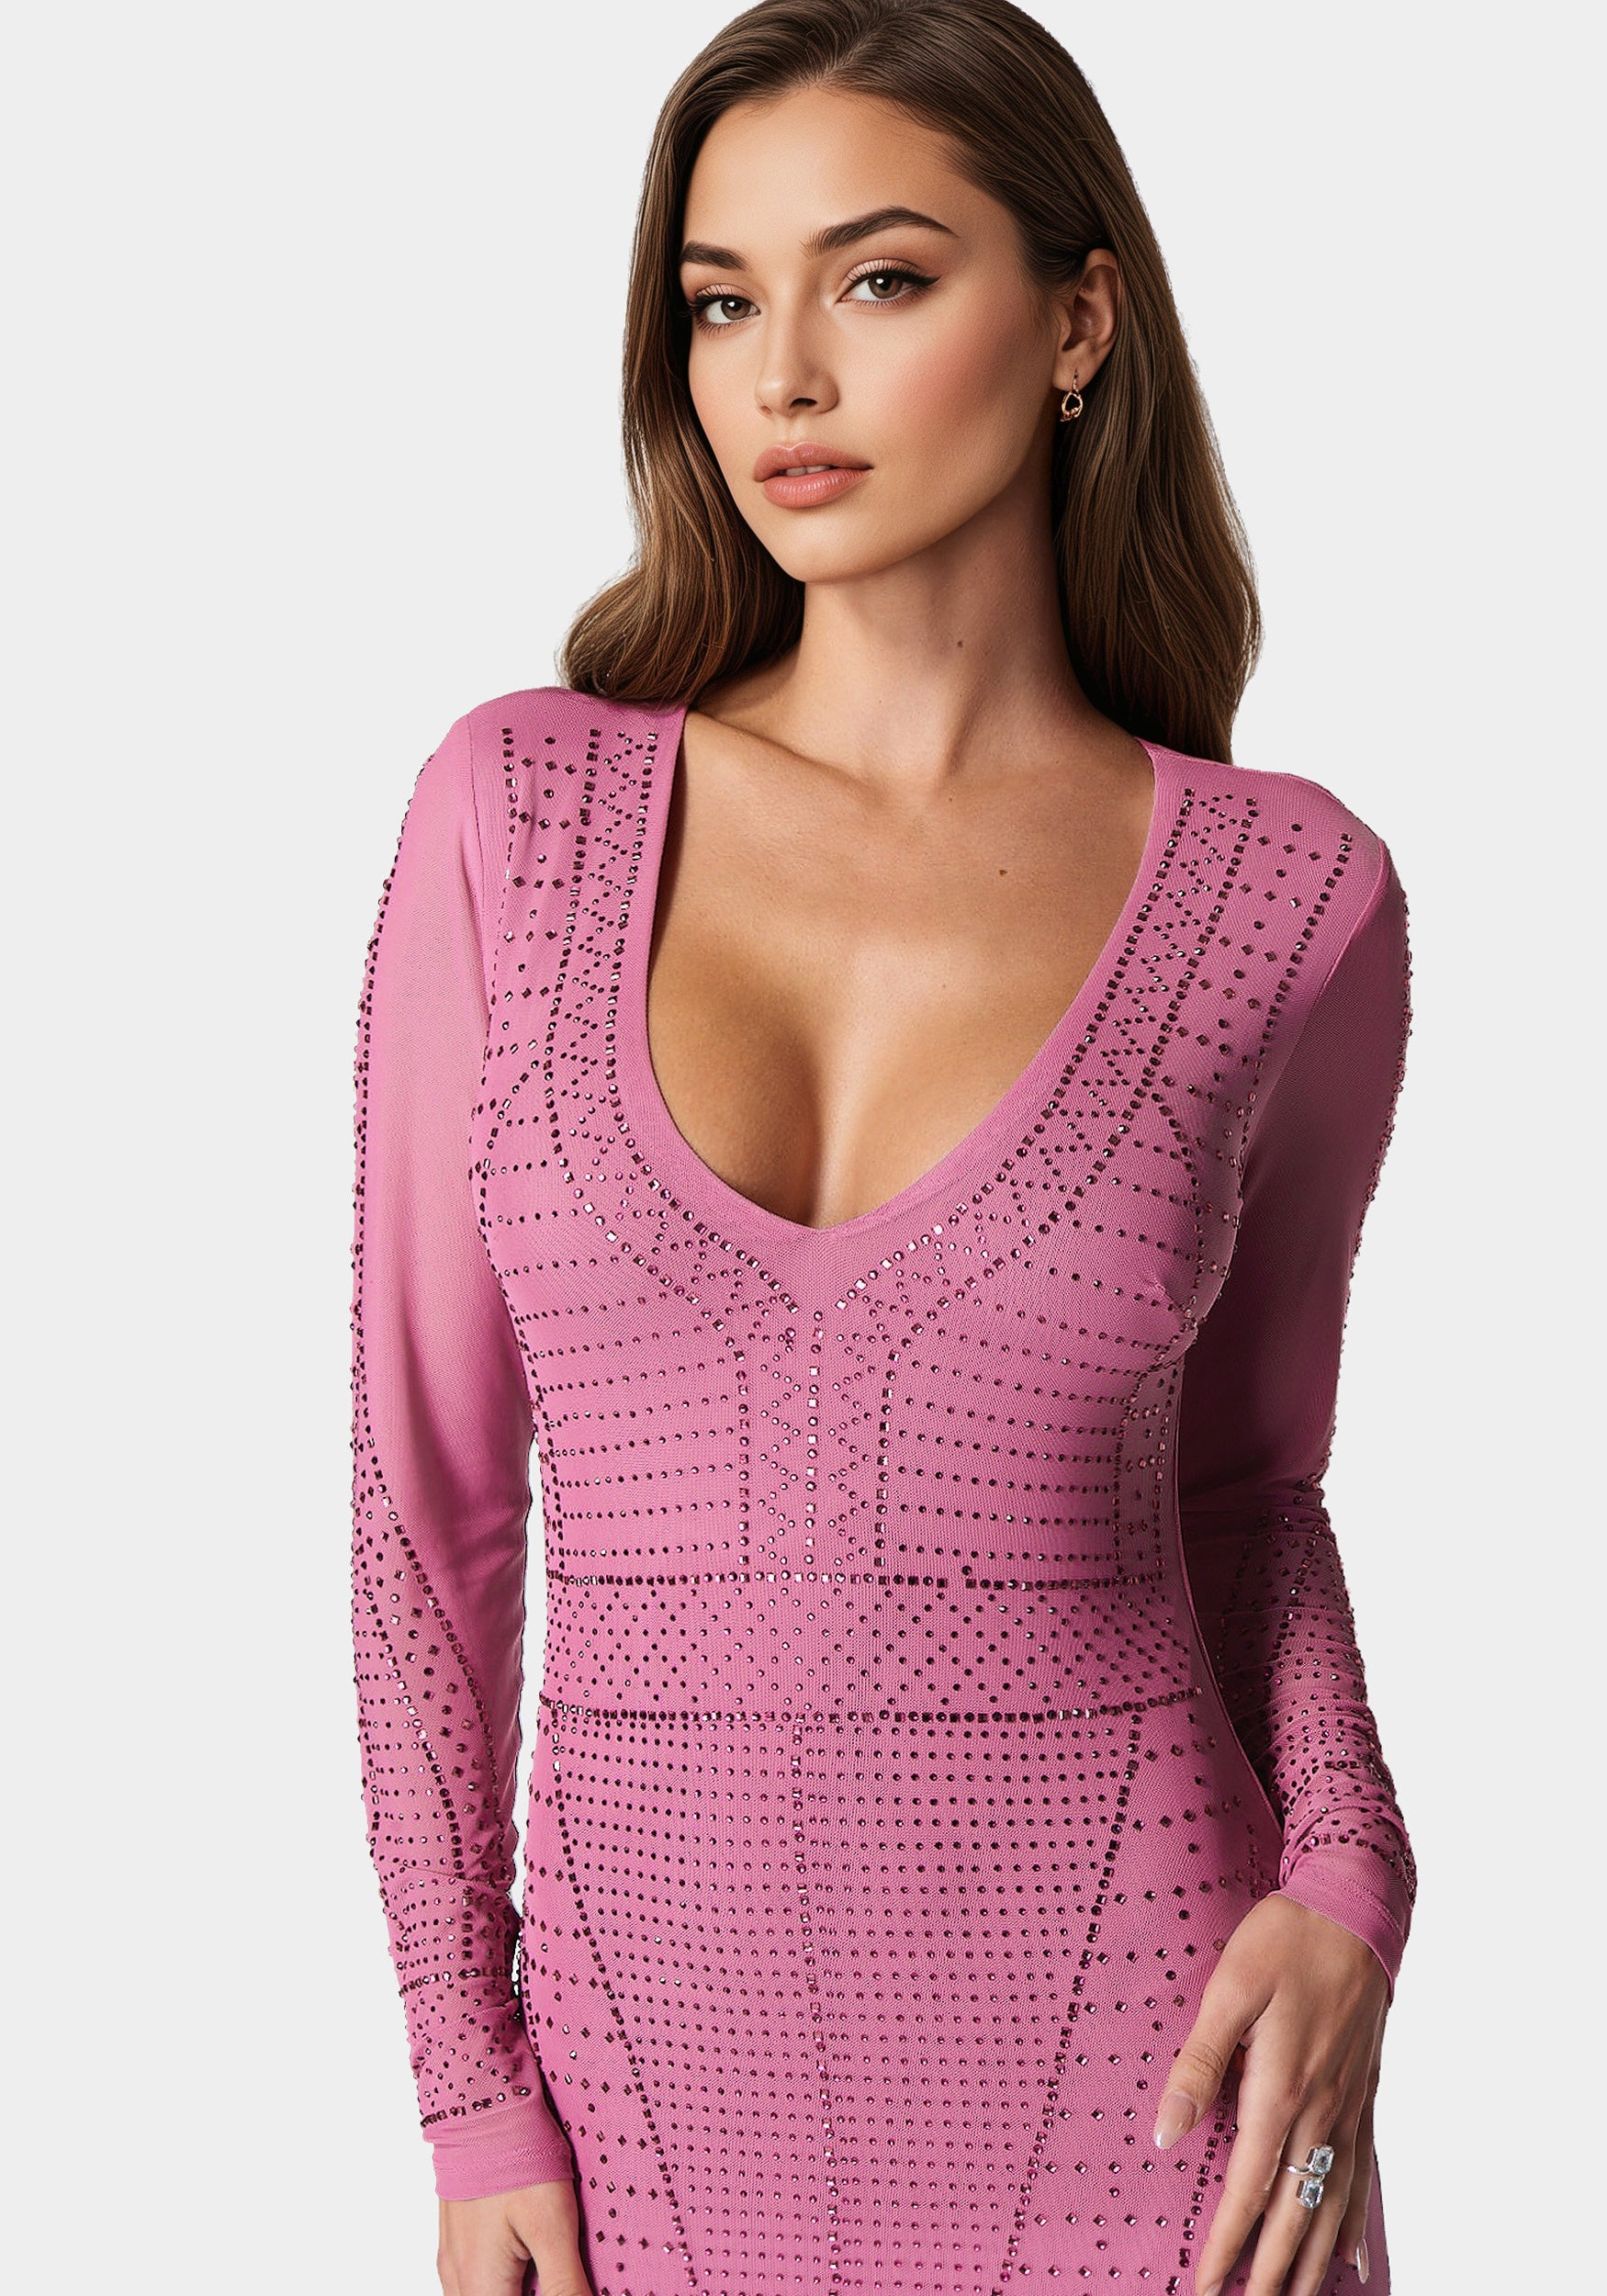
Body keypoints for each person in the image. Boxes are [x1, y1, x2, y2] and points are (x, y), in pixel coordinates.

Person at [347, 5, 1418, 2291]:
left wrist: (1349, 1876)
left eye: (880, 277)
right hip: (634, 2099)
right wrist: (466, 2078)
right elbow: (426, 1504)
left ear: (1078, 321)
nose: (783, 377)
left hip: (1166, 2074)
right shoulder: (517, 812)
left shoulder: (1287, 893)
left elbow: (1246, 1496)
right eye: (720, 300)